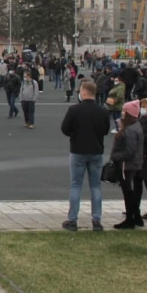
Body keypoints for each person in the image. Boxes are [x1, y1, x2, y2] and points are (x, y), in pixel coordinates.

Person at [60, 79, 111, 232]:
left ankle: (73, 219)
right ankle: (96, 219)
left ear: (83, 92)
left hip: (78, 150)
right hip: (96, 150)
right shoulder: (102, 111)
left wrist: (74, 135)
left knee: (76, 185)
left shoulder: (74, 110)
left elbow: (64, 128)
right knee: (95, 186)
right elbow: (106, 130)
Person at [109, 100, 144, 229]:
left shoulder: (130, 130)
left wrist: (115, 157)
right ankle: (136, 217)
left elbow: (130, 150)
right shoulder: (135, 126)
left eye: (124, 111)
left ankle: (130, 218)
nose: (122, 113)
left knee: (128, 192)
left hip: (126, 165)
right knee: (129, 191)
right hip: (131, 163)